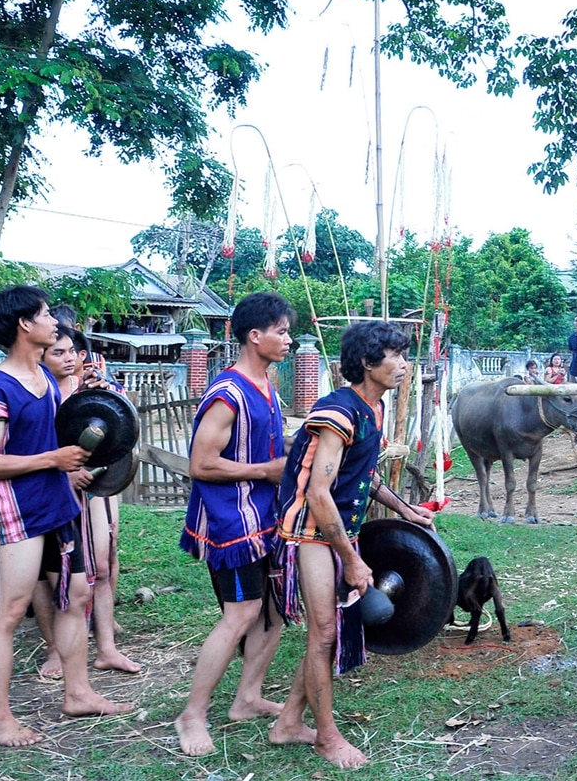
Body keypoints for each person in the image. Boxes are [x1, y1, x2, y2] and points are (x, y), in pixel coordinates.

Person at [0, 286, 134, 747]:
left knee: (76, 597)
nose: (53, 322)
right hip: (15, 513)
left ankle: (77, 693)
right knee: (10, 614)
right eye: (43, 314)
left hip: (56, 506)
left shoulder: (42, 376)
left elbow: (57, 440)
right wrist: (52, 461)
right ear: (23, 325)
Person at [271, 321, 435, 768]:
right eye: (395, 356)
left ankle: (288, 722)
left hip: (338, 529)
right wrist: (353, 561)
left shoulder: (373, 409)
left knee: (325, 634)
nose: (404, 364)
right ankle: (326, 737)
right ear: (366, 362)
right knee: (323, 633)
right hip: (309, 532)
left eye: (405, 355)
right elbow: (320, 494)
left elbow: (364, 475)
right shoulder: (339, 413)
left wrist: (406, 509)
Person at [174, 292, 296, 757]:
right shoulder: (227, 393)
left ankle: (246, 698)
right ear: (255, 335)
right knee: (240, 615)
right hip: (231, 520)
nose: (288, 340)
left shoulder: (266, 384)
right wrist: (266, 470)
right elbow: (201, 464)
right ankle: (192, 714)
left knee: (274, 612)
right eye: (281, 331)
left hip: (263, 515)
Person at [33, 326, 140, 678]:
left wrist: (107, 395)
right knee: (48, 576)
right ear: (42, 357)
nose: (65, 359)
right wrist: (64, 475)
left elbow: (121, 438)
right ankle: (54, 651)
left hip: (95, 488)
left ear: (82, 355)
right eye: (56, 352)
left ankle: (107, 649)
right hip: (48, 491)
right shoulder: (38, 395)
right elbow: (30, 450)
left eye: (70, 352)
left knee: (103, 567)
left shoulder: (96, 391)